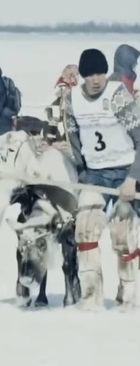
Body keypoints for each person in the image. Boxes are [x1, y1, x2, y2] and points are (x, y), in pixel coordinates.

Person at [64, 48, 140, 306]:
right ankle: (91, 297)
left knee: (123, 232)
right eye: (91, 74)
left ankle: (127, 297)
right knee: (85, 228)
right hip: (95, 174)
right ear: (83, 76)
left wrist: (132, 178)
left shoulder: (118, 96)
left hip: (124, 171)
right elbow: (74, 140)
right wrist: (83, 172)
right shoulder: (72, 99)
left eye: (101, 73)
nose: (97, 79)